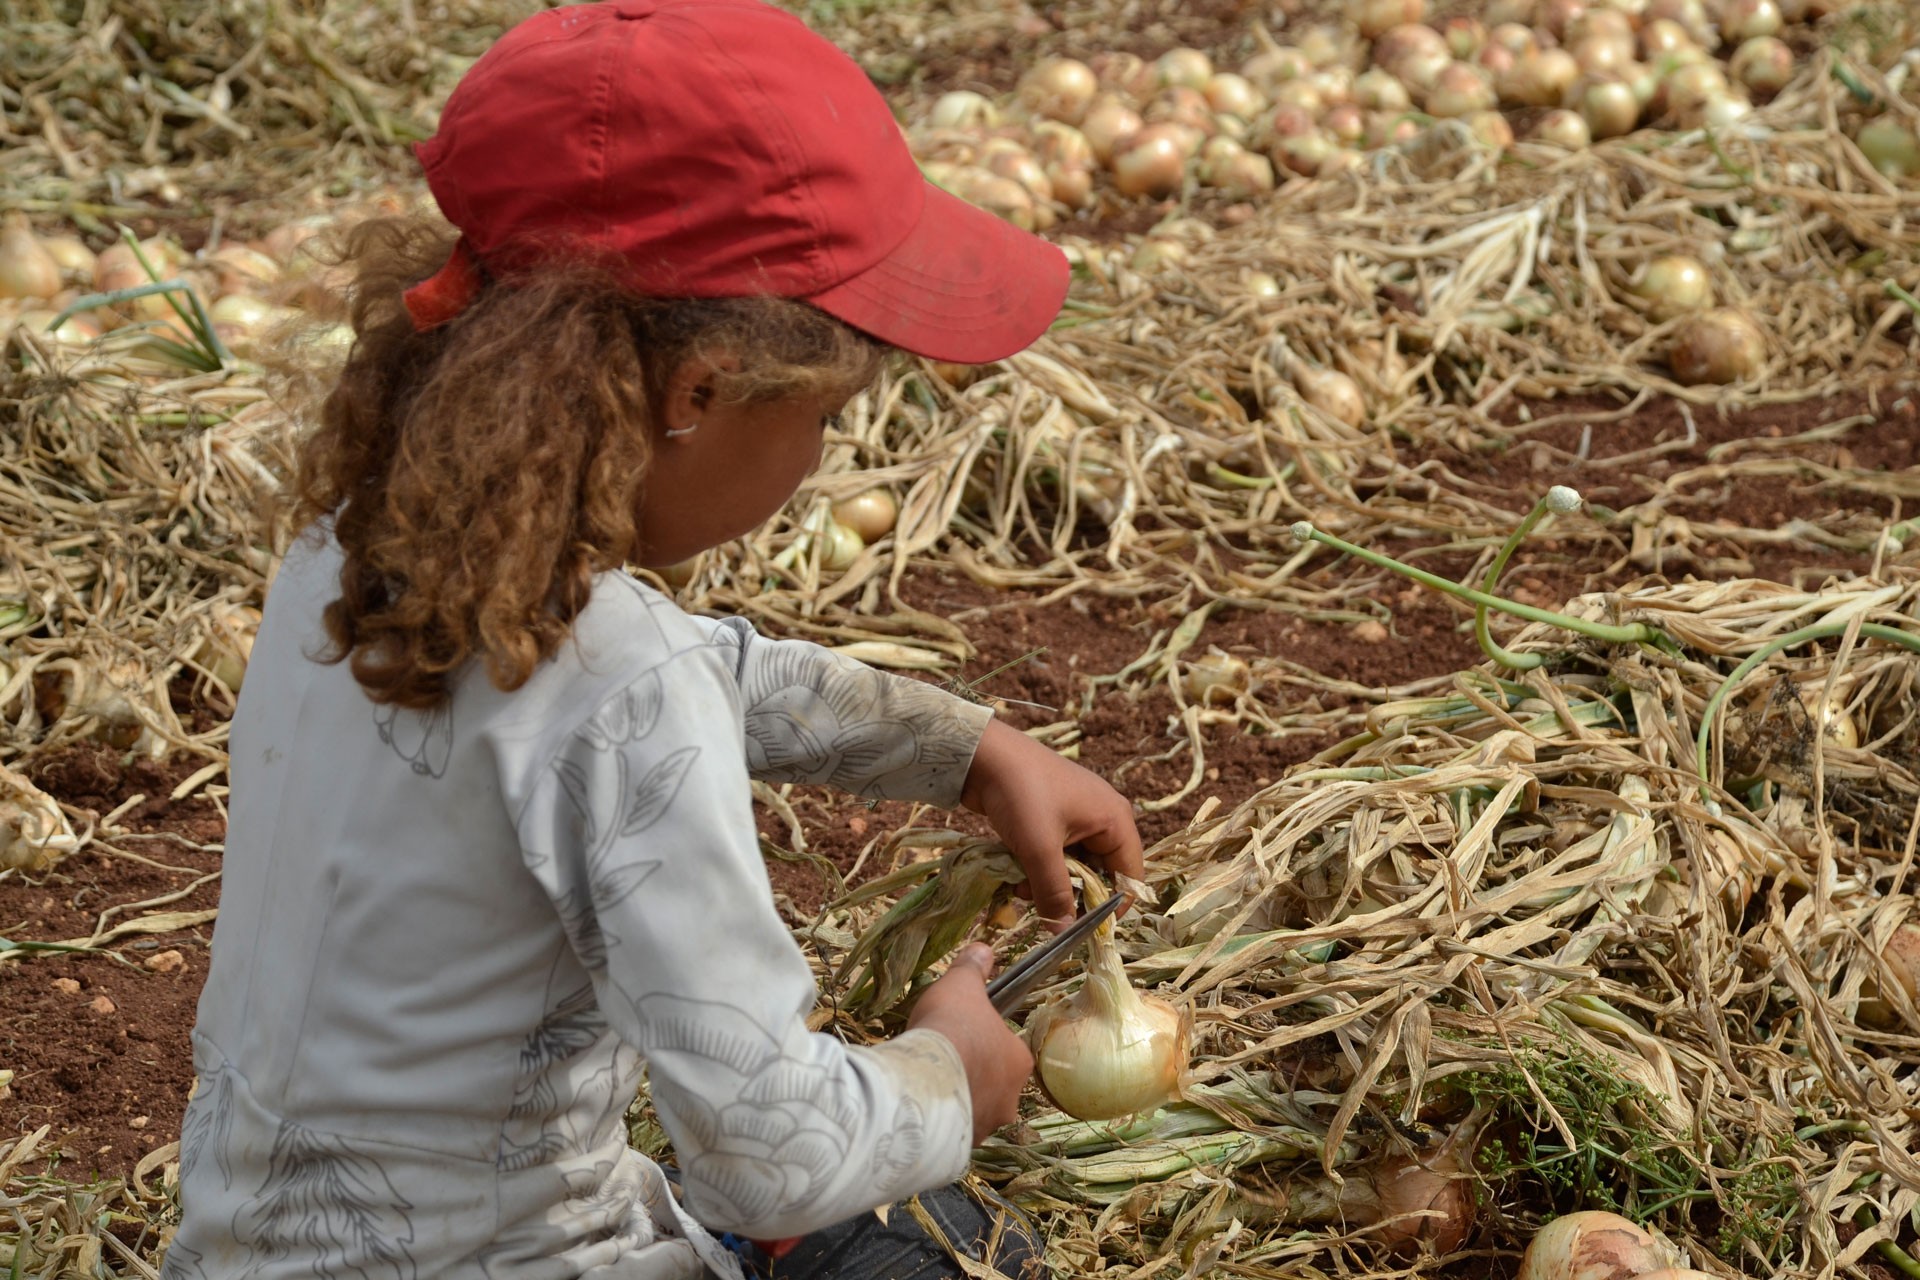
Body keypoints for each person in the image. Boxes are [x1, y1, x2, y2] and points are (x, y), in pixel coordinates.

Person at [158, 3, 1144, 1279]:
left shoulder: (358, 553)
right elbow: (773, 1154)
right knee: (946, 1245)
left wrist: (961, 746)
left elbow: (704, 674)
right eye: (825, 419)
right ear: (701, 393)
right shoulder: (625, 683)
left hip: (255, 1252)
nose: (822, 457)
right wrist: (954, 1067)